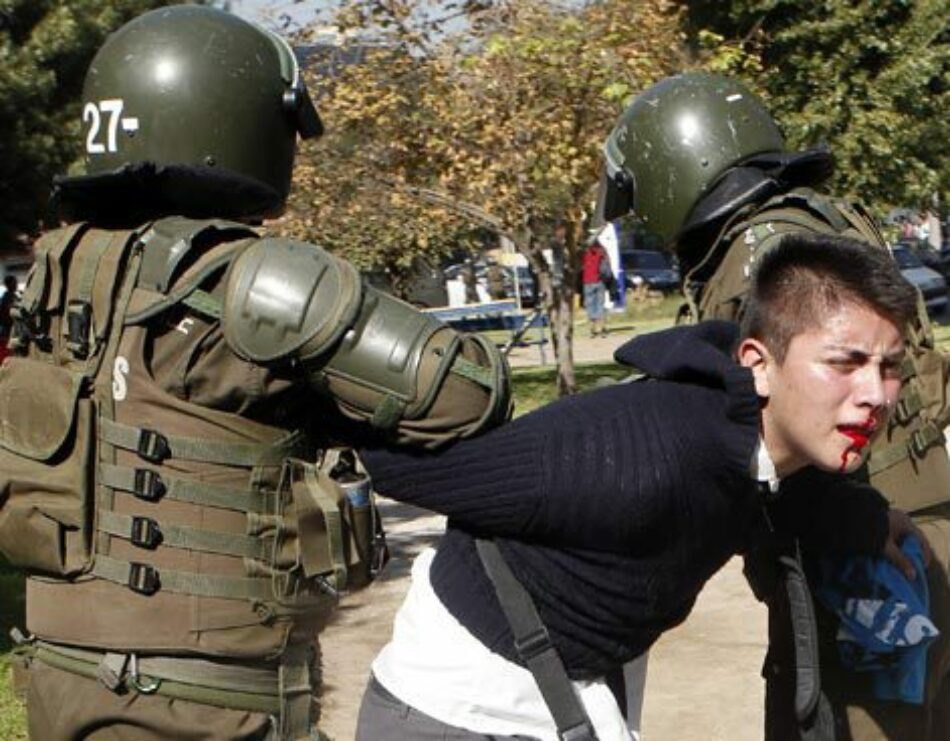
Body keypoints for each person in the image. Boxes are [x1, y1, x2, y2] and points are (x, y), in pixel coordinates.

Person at [0, 6, 510, 740]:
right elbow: (468, 392)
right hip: (205, 703)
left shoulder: (60, 272)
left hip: (63, 681)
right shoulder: (249, 280)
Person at [353, 231, 929, 741]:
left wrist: (867, 520)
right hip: (458, 709)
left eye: (889, 367)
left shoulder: (765, 439)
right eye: (844, 362)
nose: (876, 394)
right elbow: (412, 469)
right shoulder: (638, 454)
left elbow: (783, 494)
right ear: (758, 363)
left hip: (569, 690)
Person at [597, 71, 950, 739]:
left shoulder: (763, 260)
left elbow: (758, 429)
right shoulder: (824, 224)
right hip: (916, 528)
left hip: (858, 552)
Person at [581, 237, 610, 337]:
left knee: (590, 305)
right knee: (600, 305)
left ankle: (592, 329)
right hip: (600, 281)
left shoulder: (584, 252)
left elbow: (580, 266)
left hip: (587, 280)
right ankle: (602, 328)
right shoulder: (602, 251)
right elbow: (607, 266)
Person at [0, 274, 18, 363]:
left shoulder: (11, 296)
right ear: (9, 284)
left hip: (8, 329)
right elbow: (9, 313)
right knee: (8, 354)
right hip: (8, 330)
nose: (16, 285)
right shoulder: (8, 298)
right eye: (15, 283)